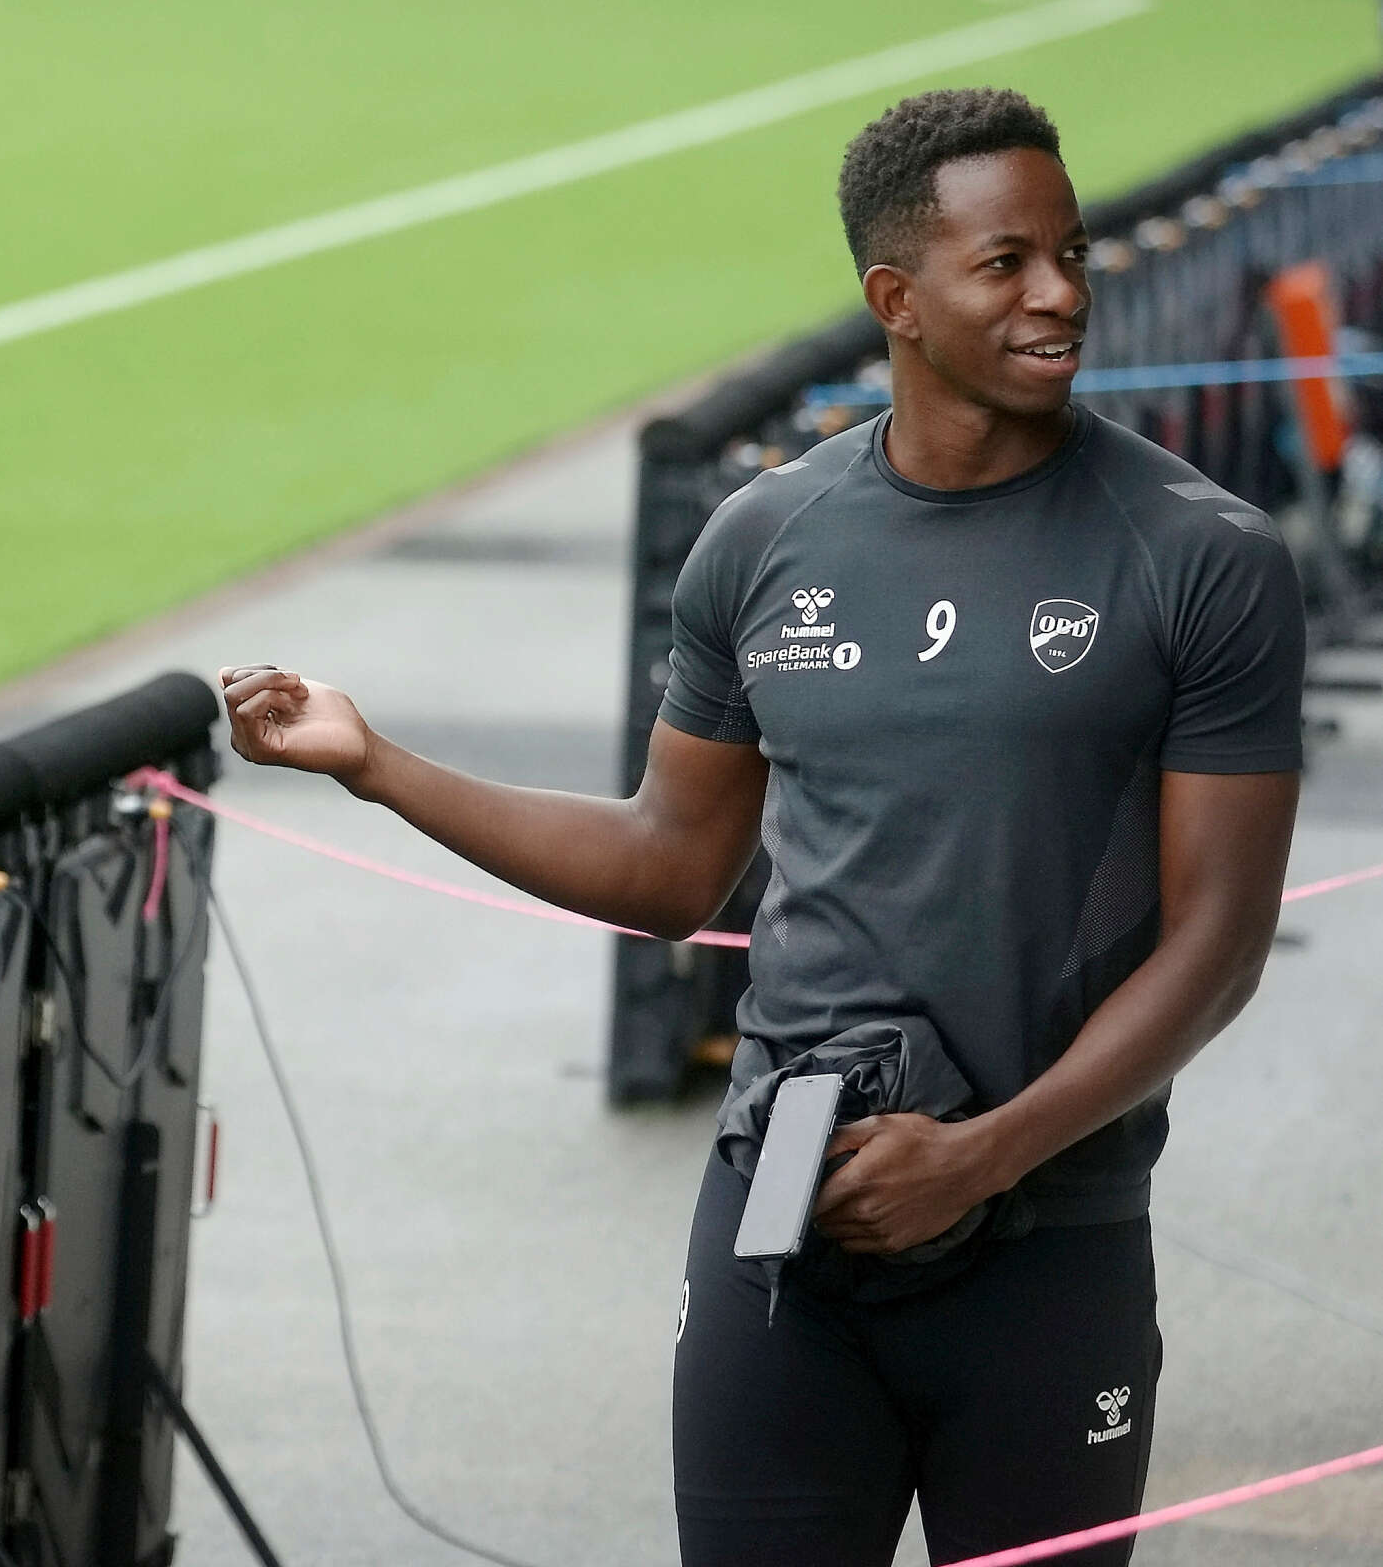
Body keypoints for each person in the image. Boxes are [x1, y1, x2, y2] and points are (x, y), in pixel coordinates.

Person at [221, 87, 1302, 1566]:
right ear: (895, 299)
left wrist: (984, 1156)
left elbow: (1219, 944)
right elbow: (667, 866)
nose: (1059, 293)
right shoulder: (763, 538)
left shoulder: (1202, 557)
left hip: (1048, 1245)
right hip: (781, 1231)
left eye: (1070, 255)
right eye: (1006, 263)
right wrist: (378, 765)